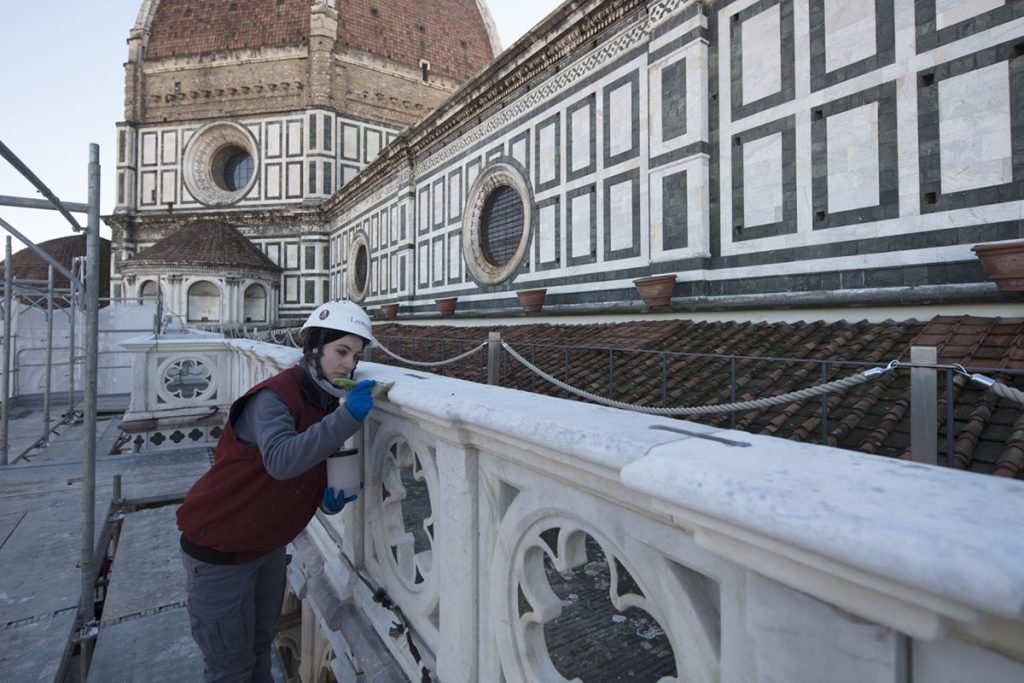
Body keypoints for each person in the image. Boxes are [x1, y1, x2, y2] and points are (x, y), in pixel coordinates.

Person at [176, 300, 376, 682]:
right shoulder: (274, 397)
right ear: (314, 350)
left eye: (356, 355)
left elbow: (301, 468)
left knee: (259, 650)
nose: (350, 365)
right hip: (219, 552)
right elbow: (282, 460)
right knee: (229, 670)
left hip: (266, 548)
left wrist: (323, 499)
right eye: (342, 352)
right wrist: (348, 416)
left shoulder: (324, 399)